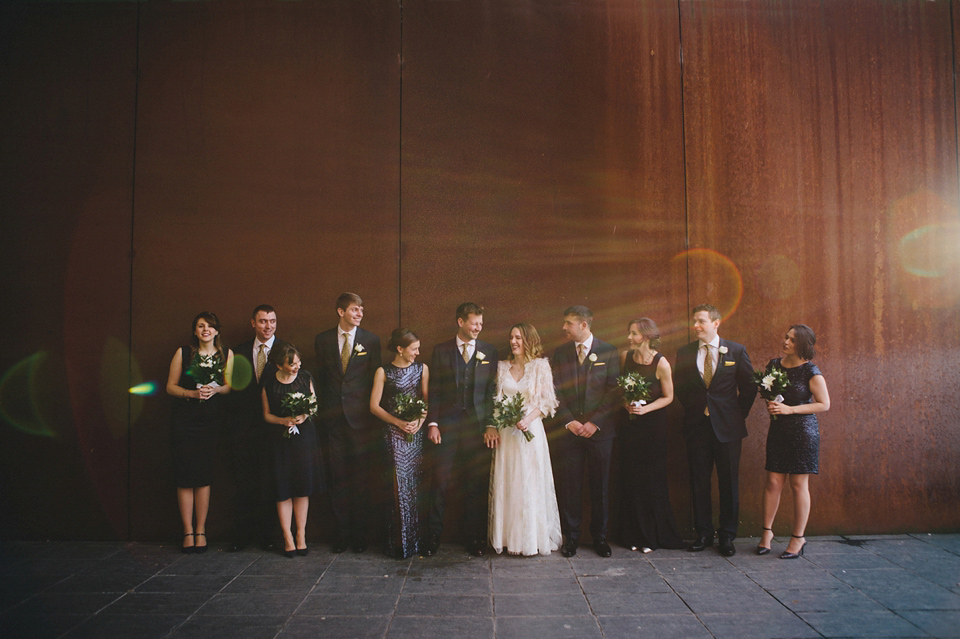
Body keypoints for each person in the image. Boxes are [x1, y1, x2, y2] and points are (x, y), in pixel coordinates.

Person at [674, 304, 757, 557]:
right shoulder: (685, 352)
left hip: (728, 429)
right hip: (697, 427)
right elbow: (680, 386)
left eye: (701, 321)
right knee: (699, 482)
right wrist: (695, 409)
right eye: (694, 321)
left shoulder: (736, 350)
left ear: (716, 323)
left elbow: (749, 387)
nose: (696, 326)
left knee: (728, 482)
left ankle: (727, 536)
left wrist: (734, 414)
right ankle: (703, 533)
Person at [424, 302, 499, 557]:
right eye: (473, 323)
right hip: (446, 426)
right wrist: (432, 423)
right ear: (460, 322)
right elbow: (434, 389)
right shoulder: (441, 350)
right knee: (440, 482)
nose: (478, 328)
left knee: (476, 484)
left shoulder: (489, 350)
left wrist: (490, 424)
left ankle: (475, 539)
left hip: (477, 428)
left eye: (480, 323)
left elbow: (491, 391)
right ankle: (433, 537)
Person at [314, 293, 382, 554]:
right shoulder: (322, 340)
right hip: (333, 422)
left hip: (361, 422)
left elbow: (375, 380)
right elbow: (322, 378)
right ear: (340, 311)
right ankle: (341, 535)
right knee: (338, 479)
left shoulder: (370, 340)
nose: (359, 313)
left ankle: (359, 535)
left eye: (361, 310)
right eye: (354, 309)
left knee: (361, 480)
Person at [550, 306, 620, 558]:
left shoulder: (608, 351)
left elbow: (613, 390)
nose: (564, 328)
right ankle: (572, 538)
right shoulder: (560, 353)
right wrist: (569, 421)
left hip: (600, 433)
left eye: (568, 323)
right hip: (570, 432)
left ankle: (600, 538)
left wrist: (594, 422)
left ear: (583, 325)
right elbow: (554, 389)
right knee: (570, 486)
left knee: (600, 485)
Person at [487, 323, 561, 556]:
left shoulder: (540, 367)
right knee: (508, 481)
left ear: (529, 340)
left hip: (530, 433)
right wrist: (499, 423)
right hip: (507, 434)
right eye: (511, 337)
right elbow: (495, 401)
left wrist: (527, 419)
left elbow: (547, 402)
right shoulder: (501, 368)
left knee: (529, 482)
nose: (514, 341)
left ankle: (530, 539)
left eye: (518, 337)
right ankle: (508, 538)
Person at [757, 325, 830, 559]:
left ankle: (798, 538)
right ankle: (766, 534)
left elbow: (823, 404)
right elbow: (768, 391)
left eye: (791, 339)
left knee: (798, 485)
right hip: (779, 430)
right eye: (785, 337)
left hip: (803, 431)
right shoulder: (774, 365)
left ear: (802, 345)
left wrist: (790, 410)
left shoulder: (811, 371)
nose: (785, 341)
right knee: (773, 482)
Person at [165, 312, 234, 554]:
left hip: (210, 420)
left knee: (204, 475)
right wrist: (191, 394)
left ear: (217, 331)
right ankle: (187, 531)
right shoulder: (183, 353)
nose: (206, 329)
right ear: (195, 331)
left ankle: (201, 530)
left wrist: (215, 390)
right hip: (185, 420)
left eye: (210, 326)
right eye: (200, 326)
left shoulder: (226, 354)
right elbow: (170, 386)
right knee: (185, 475)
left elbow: (229, 386)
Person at [618, 318, 686, 552]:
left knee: (651, 480)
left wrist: (645, 409)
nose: (629, 337)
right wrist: (627, 404)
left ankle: (651, 536)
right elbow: (620, 391)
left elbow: (668, 397)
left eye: (633, 333)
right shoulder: (625, 357)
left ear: (646, 337)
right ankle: (633, 536)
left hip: (653, 428)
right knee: (632, 479)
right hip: (630, 426)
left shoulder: (661, 363)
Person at [227, 304, 288, 552]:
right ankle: (242, 535)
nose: (268, 326)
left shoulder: (286, 350)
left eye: (272, 321)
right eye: (263, 321)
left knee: (271, 482)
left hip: (274, 428)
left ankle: (269, 536)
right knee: (243, 483)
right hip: (244, 429)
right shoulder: (238, 351)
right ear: (253, 323)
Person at [369, 329, 430, 559]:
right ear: (400, 349)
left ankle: (414, 542)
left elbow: (425, 400)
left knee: (414, 486)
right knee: (396, 487)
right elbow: (374, 406)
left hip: (414, 435)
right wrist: (397, 423)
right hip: (393, 436)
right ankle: (397, 542)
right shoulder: (383, 372)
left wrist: (419, 422)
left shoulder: (422, 369)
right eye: (414, 349)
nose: (417, 353)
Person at [262, 343, 323, 557]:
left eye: (298, 363)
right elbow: (266, 414)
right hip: (279, 441)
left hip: (304, 439)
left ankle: (301, 536)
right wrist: (282, 420)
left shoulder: (305, 377)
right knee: (283, 489)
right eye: (291, 364)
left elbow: (314, 404)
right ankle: (287, 537)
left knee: (301, 487)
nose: (296, 367)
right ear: (279, 365)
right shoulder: (269, 383)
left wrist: (304, 416)